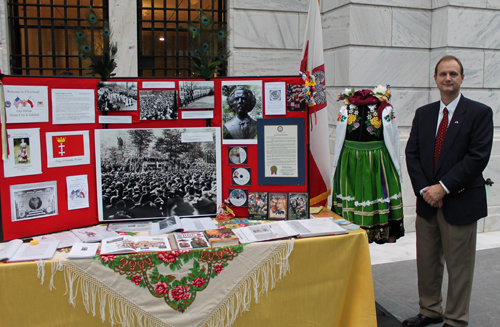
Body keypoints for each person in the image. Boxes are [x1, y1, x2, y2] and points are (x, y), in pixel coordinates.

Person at [404, 55, 493, 327]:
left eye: (453, 74)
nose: (448, 79)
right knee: (427, 263)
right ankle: (429, 310)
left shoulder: (479, 113)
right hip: (427, 203)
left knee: (459, 268)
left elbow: (477, 158)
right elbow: (412, 155)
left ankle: (455, 319)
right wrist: (425, 191)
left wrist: (442, 188)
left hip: (461, 202)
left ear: (462, 78)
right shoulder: (424, 114)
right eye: (443, 74)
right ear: (435, 78)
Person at [331, 85, 404, 244]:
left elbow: (393, 139)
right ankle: (350, 233)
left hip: (377, 160)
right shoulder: (346, 109)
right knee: (351, 193)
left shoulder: (385, 110)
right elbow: (339, 139)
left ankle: (379, 231)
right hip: (351, 160)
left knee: (377, 191)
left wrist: (396, 167)